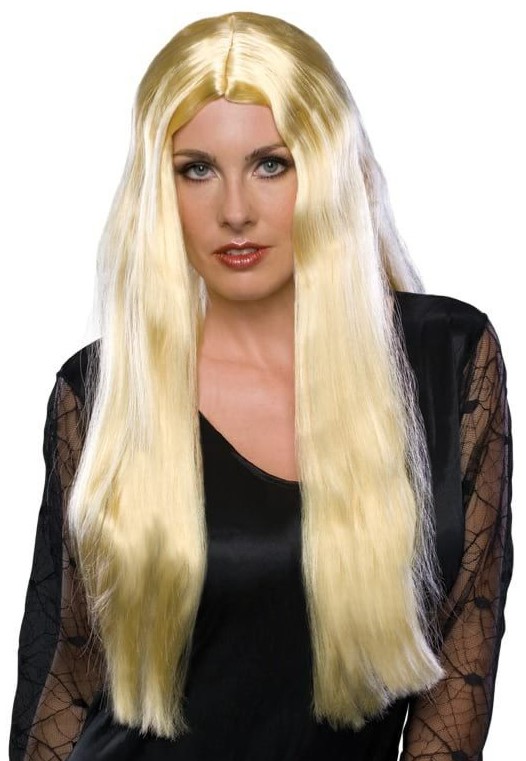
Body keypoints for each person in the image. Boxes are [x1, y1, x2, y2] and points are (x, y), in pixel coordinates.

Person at [9, 11, 512, 761]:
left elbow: (462, 650)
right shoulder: (103, 394)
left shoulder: (447, 363)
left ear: (325, 170)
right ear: (160, 191)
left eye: (271, 164)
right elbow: (64, 678)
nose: (236, 210)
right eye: (197, 169)